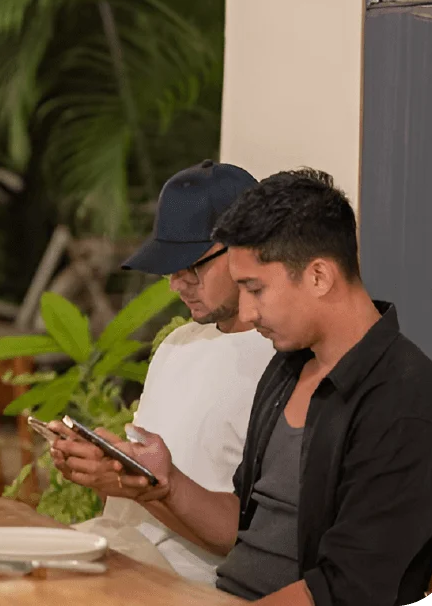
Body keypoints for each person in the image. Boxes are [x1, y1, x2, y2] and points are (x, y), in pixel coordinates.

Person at [50, 169, 432, 605]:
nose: (246, 310)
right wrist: (163, 483)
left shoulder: (407, 403)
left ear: (318, 276)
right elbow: (245, 525)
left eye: (255, 289)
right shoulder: (288, 369)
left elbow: (346, 591)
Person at [64, 160, 276, 585]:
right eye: (169, 268)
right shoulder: (177, 345)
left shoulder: (280, 362)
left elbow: (255, 538)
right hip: (120, 554)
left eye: (191, 266)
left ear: (248, 250)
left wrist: (147, 485)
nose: (177, 284)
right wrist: (107, 472)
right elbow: (145, 490)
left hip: (191, 584)